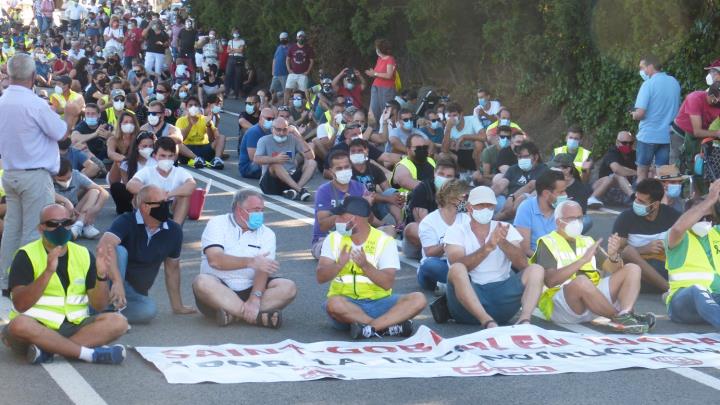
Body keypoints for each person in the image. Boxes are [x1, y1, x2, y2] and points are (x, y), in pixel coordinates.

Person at [2, 204, 128, 365]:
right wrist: (48, 272)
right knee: (19, 325)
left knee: (118, 322)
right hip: (37, 327)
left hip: (73, 326)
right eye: (53, 224)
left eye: (66, 223)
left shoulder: (82, 253)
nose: (60, 228)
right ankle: (89, 354)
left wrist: (102, 276)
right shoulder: (26, 255)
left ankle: (50, 352)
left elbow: (100, 304)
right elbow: (20, 305)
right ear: (41, 228)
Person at [0, 54, 81, 293]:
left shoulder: (3, 101)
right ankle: (25, 283)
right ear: (34, 76)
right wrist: (70, 113)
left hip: (11, 172)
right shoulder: (34, 104)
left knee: (13, 230)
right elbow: (61, 133)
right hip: (34, 174)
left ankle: (7, 280)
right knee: (32, 231)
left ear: (9, 74)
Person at [531, 200, 654, 333]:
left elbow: (615, 270)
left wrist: (614, 255)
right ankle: (619, 317)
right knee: (581, 281)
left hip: (594, 302)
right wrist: (583, 260)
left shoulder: (587, 241)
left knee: (632, 269)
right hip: (563, 307)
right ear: (558, 221)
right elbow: (551, 281)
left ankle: (626, 313)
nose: (577, 222)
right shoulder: (547, 242)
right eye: (572, 218)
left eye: (580, 217)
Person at [316, 197, 426, 339]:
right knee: (333, 304)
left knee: (419, 299)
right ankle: (385, 327)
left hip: (379, 304)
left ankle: (370, 328)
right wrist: (338, 265)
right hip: (346, 306)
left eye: (341, 217)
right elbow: (320, 277)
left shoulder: (384, 241)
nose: (336, 221)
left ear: (354, 219)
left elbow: (387, 283)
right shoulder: (333, 239)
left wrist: (365, 266)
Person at [439, 186, 545, 327]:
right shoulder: (456, 231)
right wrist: (488, 247)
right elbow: (457, 263)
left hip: (502, 297)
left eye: (489, 206)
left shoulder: (505, 228)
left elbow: (523, 265)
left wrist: (502, 242)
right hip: (468, 302)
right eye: (481, 205)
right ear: (470, 208)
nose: (485, 209)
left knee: (536, 269)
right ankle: (487, 322)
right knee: (457, 269)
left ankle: (525, 320)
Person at [193, 189, 296, 328]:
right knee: (202, 282)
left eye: (261, 210)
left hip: (250, 287)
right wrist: (250, 262)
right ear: (239, 209)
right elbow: (215, 260)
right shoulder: (217, 223)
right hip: (219, 290)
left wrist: (255, 297)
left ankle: (235, 313)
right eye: (255, 210)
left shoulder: (267, 234)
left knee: (288, 287)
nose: (259, 214)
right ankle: (256, 317)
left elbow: (263, 269)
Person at [95, 185, 195, 324]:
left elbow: (172, 270)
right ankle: (103, 305)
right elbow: (104, 246)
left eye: (167, 202)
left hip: (135, 292)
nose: (167, 207)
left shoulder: (174, 231)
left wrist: (177, 306)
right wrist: (117, 282)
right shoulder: (126, 220)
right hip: (111, 282)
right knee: (118, 250)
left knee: (148, 311)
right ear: (144, 207)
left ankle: (105, 313)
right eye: (161, 204)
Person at [665, 178, 720, 330]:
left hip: (714, 298)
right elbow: (678, 228)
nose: (705, 222)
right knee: (697, 290)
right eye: (700, 217)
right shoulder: (677, 236)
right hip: (684, 303)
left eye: (709, 218)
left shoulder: (716, 234)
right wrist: (709, 200)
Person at [613, 178, 680, 293]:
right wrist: (644, 249)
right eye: (636, 199)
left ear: (655, 205)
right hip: (637, 268)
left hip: (664, 265)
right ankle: (670, 290)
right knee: (628, 251)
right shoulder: (625, 218)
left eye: (642, 202)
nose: (636, 203)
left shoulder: (671, 215)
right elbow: (616, 253)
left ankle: (668, 287)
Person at [311, 150, 370, 259]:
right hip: (326, 239)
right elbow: (323, 226)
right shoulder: (323, 191)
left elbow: (370, 222)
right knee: (338, 249)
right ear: (331, 171)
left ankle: (357, 253)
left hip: (355, 237)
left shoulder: (360, 188)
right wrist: (344, 209)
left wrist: (366, 206)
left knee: (387, 232)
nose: (344, 171)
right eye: (339, 168)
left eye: (346, 167)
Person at [632, 55, 681, 181]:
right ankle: (663, 199)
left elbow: (641, 113)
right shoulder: (674, 82)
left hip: (648, 136)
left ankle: (641, 200)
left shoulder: (648, 84)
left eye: (642, 68)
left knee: (642, 172)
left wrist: (633, 114)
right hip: (668, 136)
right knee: (664, 174)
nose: (642, 71)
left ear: (650, 66)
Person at [126, 137, 195, 225]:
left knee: (185, 196)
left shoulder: (179, 172)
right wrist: (156, 194)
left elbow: (191, 185)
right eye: (163, 156)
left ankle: (175, 230)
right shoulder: (147, 171)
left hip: (170, 207)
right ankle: (143, 227)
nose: (167, 159)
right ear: (155, 156)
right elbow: (131, 185)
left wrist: (169, 194)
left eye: (170, 156)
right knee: (137, 195)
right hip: (152, 206)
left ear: (174, 156)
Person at [417, 179, 468, 293]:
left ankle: (453, 287)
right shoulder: (429, 222)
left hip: (459, 261)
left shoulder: (466, 218)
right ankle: (461, 286)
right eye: (463, 196)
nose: (466, 200)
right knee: (430, 265)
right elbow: (430, 252)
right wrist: (449, 241)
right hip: (440, 263)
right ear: (451, 198)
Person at [402, 157, 458, 259]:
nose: (444, 178)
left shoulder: (458, 193)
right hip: (420, 244)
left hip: (449, 239)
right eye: (441, 174)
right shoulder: (423, 189)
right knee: (412, 228)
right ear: (434, 173)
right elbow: (424, 225)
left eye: (449, 176)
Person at [254, 117, 316, 201]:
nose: (281, 133)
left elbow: (311, 156)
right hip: (270, 182)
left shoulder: (293, 138)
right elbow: (256, 159)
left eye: (284, 130)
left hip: (289, 179)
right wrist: (275, 159)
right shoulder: (264, 140)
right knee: (275, 164)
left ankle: (293, 190)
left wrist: (297, 134)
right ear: (272, 129)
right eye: (278, 130)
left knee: (312, 163)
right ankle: (300, 190)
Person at [513, 169, 567, 257]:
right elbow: (525, 249)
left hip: (562, 257)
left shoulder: (564, 208)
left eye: (565, 190)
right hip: (536, 259)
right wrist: (550, 261)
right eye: (561, 192)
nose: (565, 195)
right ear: (546, 193)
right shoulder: (526, 208)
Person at [349, 138, 402, 226]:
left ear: (366, 151)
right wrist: (388, 198)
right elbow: (362, 195)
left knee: (392, 193)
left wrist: (393, 197)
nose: (356, 153)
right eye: (353, 151)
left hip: (374, 205)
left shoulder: (374, 168)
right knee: (362, 200)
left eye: (359, 150)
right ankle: (382, 226)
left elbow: (387, 189)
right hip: (358, 209)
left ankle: (400, 224)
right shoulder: (348, 171)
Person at [53, 159, 108, 240]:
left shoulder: (76, 174)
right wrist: (66, 201)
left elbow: (103, 192)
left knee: (94, 191)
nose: (65, 181)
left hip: (75, 212)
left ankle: (80, 223)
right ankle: (82, 225)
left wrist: (96, 209)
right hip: (57, 215)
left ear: (71, 171)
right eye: (61, 180)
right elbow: (45, 193)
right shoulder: (47, 178)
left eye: (68, 178)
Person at [672, 82, 720, 172]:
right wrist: (717, 133)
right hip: (680, 133)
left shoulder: (717, 104)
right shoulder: (694, 99)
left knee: (698, 167)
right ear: (712, 96)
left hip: (699, 135)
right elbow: (697, 131)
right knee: (678, 168)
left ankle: (697, 183)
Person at [588, 131, 637, 208]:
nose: (628, 145)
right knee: (616, 176)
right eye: (624, 143)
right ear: (617, 142)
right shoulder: (612, 153)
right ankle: (634, 198)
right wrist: (636, 172)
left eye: (630, 143)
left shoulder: (634, 154)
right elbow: (617, 169)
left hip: (623, 189)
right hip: (604, 188)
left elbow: (645, 169)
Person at [176, 95, 225, 169]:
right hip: (187, 150)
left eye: (195, 105)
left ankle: (217, 160)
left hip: (203, 148)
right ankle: (196, 159)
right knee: (176, 142)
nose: (193, 107)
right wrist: (190, 125)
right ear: (186, 107)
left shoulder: (205, 119)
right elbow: (180, 139)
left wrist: (208, 125)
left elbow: (212, 139)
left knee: (221, 137)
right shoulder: (181, 120)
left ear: (199, 107)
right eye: (190, 105)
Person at [442, 102, 485, 174]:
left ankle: (478, 173)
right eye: (449, 116)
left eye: (454, 115)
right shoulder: (448, 127)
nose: (452, 118)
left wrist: (464, 136)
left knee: (479, 143)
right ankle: (459, 175)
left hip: (473, 151)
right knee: (442, 155)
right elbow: (444, 150)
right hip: (458, 153)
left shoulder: (472, 119)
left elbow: (484, 137)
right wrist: (448, 130)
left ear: (461, 114)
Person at [365, 38, 396, 126]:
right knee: (374, 109)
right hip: (376, 86)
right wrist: (373, 73)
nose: (376, 49)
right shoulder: (380, 59)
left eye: (377, 47)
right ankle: (378, 129)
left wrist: (374, 73)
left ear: (380, 49)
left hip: (386, 88)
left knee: (386, 109)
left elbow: (389, 75)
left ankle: (388, 129)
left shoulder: (390, 59)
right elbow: (377, 73)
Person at [238, 108, 275, 179]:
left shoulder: (271, 131)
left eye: (273, 119)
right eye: (268, 119)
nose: (271, 121)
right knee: (275, 166)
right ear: (261, 118)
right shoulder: (254, 132)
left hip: (263, 162)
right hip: (248, 167)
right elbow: (253, 158)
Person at [284, 30, 314, 105]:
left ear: (305, 38)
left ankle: (309, 106)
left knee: (305, 91)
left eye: (302, 37)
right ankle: (285, 106)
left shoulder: (308, 48)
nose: (301, 38)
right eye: (299, 36)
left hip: (303, 74)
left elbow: (311, 61)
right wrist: (288, 69)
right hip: (293, 73)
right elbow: (287, 59)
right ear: (297, 38)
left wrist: (308, 71)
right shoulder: (292, 47)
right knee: (287, 89)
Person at [270, 32, 289, 104]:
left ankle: (285, 105)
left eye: (284, 38)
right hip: (276, 73)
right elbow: (274, 59)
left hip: (284, 73)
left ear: (287, 39)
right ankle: (272, 104)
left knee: (286, 91)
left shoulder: (289, 48)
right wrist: (273, 70)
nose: (282, 40)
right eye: (281, 39)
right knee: (272, 90)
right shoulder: (279, 47)